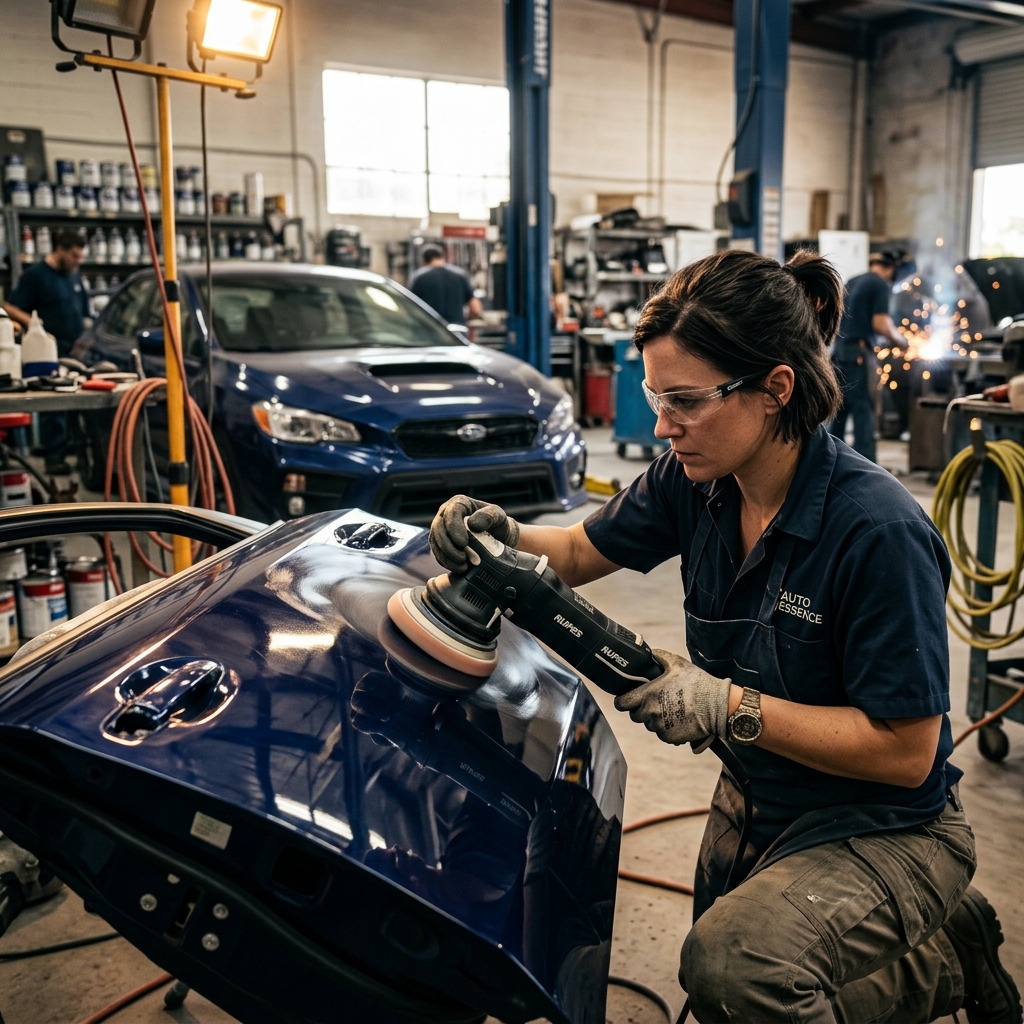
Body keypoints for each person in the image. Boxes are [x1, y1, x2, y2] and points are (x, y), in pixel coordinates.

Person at [429, 249, 1021, 1024]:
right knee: (725, 989)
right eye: (654, 396)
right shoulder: (695, 479)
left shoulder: (876, 531)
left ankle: (945, 951)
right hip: (761, 797)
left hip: (889, 825)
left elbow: (906, 752)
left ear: (776, 388)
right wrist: (505, 536)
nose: (662, 425)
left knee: (736, 971)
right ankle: (948, 956)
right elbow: (575, 553)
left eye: (685, 401)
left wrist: (725, 706)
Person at [3, 229, 90, 474]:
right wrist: (36, 326)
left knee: (77, 403)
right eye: (74, 256)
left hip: (76, 350)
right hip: (48, 352)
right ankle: (54, 457)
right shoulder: (36, 276)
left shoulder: (74, 275)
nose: (78, 262)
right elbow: (11, 307)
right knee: (56, 406)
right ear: (60, 249)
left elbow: (84, 310)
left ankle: (76, 452)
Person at [829, 252, 904, 463]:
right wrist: (902, 341)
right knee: (864, 412)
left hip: (838, 353)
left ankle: (830, 462)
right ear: (890, 269)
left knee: (838, 412)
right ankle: (865, 469)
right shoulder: (880, 284)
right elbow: (880, 323)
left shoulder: (853, 281)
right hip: (859, 356)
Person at [407, 244, 483, 326]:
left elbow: (410, 309)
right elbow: (475, 308)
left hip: (429, 331)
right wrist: (463, 321)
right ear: (442, 257)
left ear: (423, 261)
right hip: (457, 331)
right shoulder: (460, 275)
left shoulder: (419, 278)